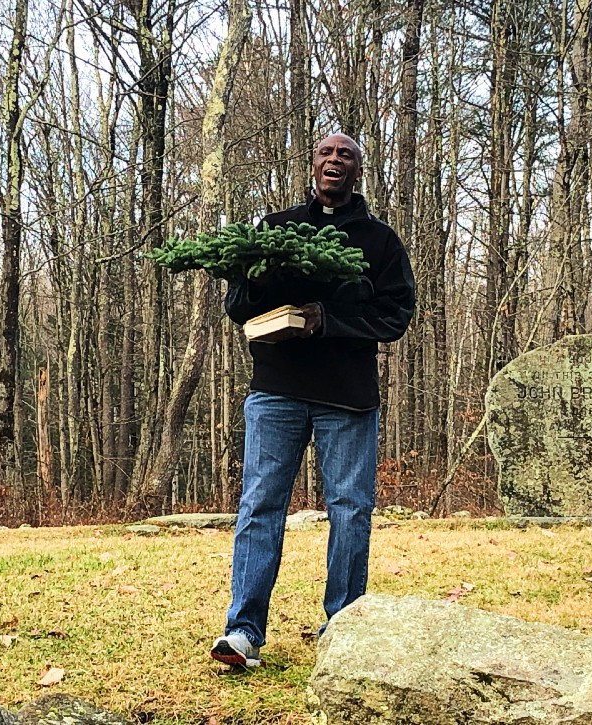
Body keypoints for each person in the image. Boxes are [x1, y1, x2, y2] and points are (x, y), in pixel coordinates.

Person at [210, 133, 416, 667]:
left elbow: (396, 317)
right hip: (276, 391)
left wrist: (330, 321)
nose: (334, 160)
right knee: (260, 505)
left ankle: (343, 629)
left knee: (351, 510)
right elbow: (238, 306)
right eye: (326, 152)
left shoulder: (380, 242)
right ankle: (243, 631)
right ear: (312, 163)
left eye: (346, 155)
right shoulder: (275, 229)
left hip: (347, 398)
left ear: (357, 170)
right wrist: (260, 279)